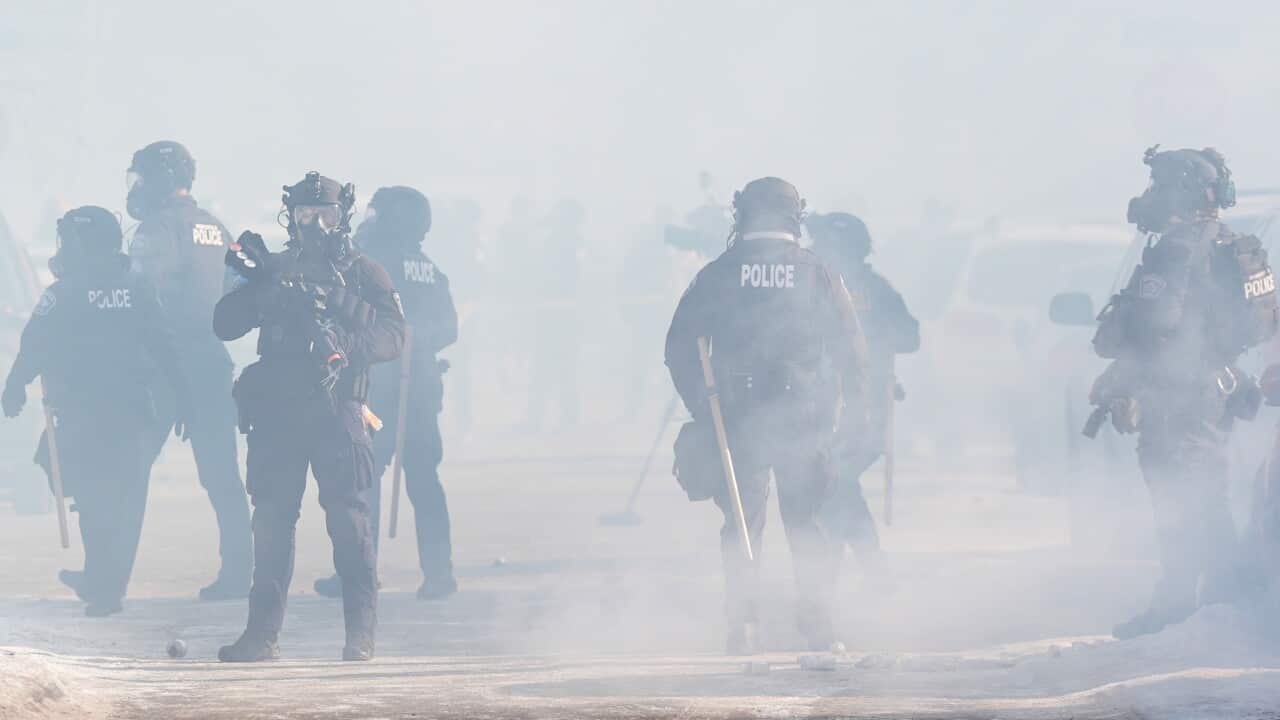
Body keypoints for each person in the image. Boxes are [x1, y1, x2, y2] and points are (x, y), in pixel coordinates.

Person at [665, 177, 870, 654]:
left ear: (743, 214)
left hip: (737, 417)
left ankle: (743, 626)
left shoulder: (718, 273)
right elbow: (851, 348)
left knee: (742, 524)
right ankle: (818, 626)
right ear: (795, 215)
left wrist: (704, 403)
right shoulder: (818, 273)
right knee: (807, 523)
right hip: (805, 417)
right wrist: (855, 413)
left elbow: (678, 346)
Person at [1088, 146, 1277, 639]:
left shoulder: (1178, 250)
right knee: (1206, 493)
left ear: (1182, 191)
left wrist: (1127, 377)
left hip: (1180, 397)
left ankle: (1180, 604)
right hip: (1216, 390)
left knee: (1179, 499)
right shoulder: (1232, 245)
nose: (1151, 196)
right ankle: (1222, 598)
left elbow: (1157, 327)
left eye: (1159, 186)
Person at [215, 172, 405, 662]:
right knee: (271, 523)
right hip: (277, 415)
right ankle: (261, 636)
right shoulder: (273, 268)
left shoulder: (363, 272)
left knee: (349, 522)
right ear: (291, 216)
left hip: (337, 410)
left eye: (325, 213)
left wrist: (346, 340)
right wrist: (261, 292)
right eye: (305, 213)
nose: (315, 223)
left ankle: (360, 636)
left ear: (342, 217)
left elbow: (394, 336)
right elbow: (224, 324)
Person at [2, 206, 190, 616]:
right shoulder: (137, 287)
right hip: (132, 412)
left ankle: (104, 587)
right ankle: (104, 580)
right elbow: (166, 346)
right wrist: (183, 398)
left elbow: (34, 344)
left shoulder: (64, 293)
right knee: (121, 499)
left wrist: (14, 388)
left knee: (91, 498)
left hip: (83, 414)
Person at [313, 186, 459, 601]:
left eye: (377, 214)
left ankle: (358, 572)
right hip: (421, 389)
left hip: (379, 388)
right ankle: (439, 574)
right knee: (425, 479)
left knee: (363, 478)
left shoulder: (372, 264)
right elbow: (449, 328)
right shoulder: (431, 270)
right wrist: (420, 338)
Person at [126, 140, 252, 600]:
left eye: (141, 178)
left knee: (130, 468)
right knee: (222, 476)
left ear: (160, 180)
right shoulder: (215, 228)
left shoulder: (157, 229)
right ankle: (239, 573)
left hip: (163, 367)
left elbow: (140, 297)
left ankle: (110, 578)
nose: (136, 188)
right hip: (210, 363)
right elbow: (241, 288)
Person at [809, 212, 919, 576]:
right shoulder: (809, 286)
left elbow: (910, 337)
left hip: (866, 409)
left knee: (836, 481)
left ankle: (847, 570)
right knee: (836, 483)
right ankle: (866, 570)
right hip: (818, 408)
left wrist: (875, 335)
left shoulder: (875, 291)